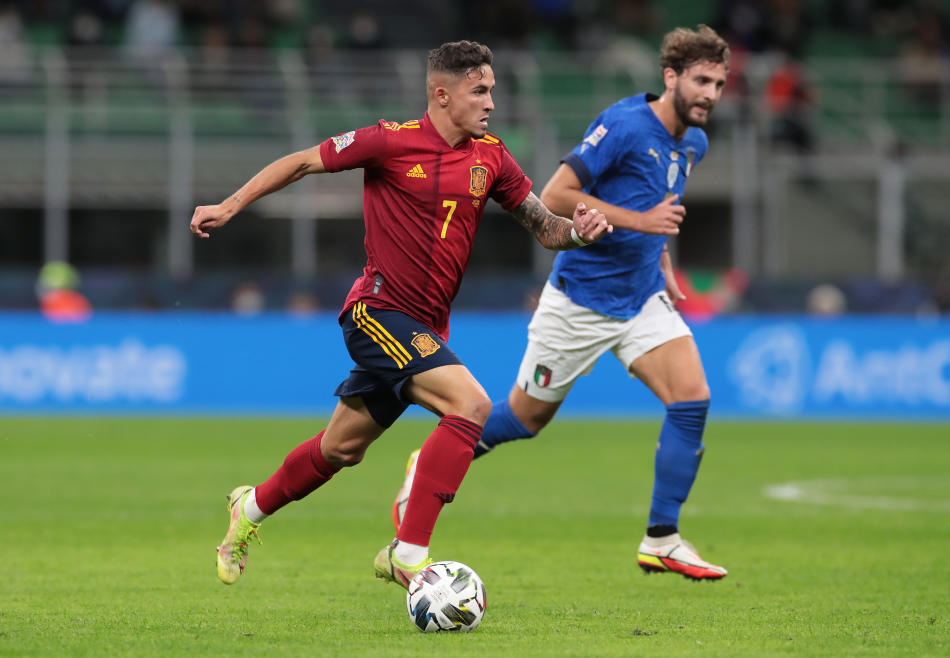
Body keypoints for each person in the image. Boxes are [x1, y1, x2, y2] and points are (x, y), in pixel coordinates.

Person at [190, 40, 611, 589]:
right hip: (377, 313)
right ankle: (407, 553)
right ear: (442, 95)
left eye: (492, 91)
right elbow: (300, 162)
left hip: (426, 329)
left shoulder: (493, 157)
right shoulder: (390, 142)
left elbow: (545, 226)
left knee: (341, 448)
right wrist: (228, 206)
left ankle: (248, 510)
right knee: (471, 404)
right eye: (478, 91)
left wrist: (579, 231)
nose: (489, 102)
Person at [394, 25, 730, 581]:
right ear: (671, 78)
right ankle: (426, 465)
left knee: (691, 399)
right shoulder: (624, 124)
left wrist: (662, 260)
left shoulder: (693, 141)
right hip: (580, 301)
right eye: (701, 80)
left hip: (642, 296)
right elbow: (555, 196)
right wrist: (642, 223)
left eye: (719, 83)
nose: (711, 94)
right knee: (524, 420)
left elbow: (659, 208)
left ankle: (662, 539)